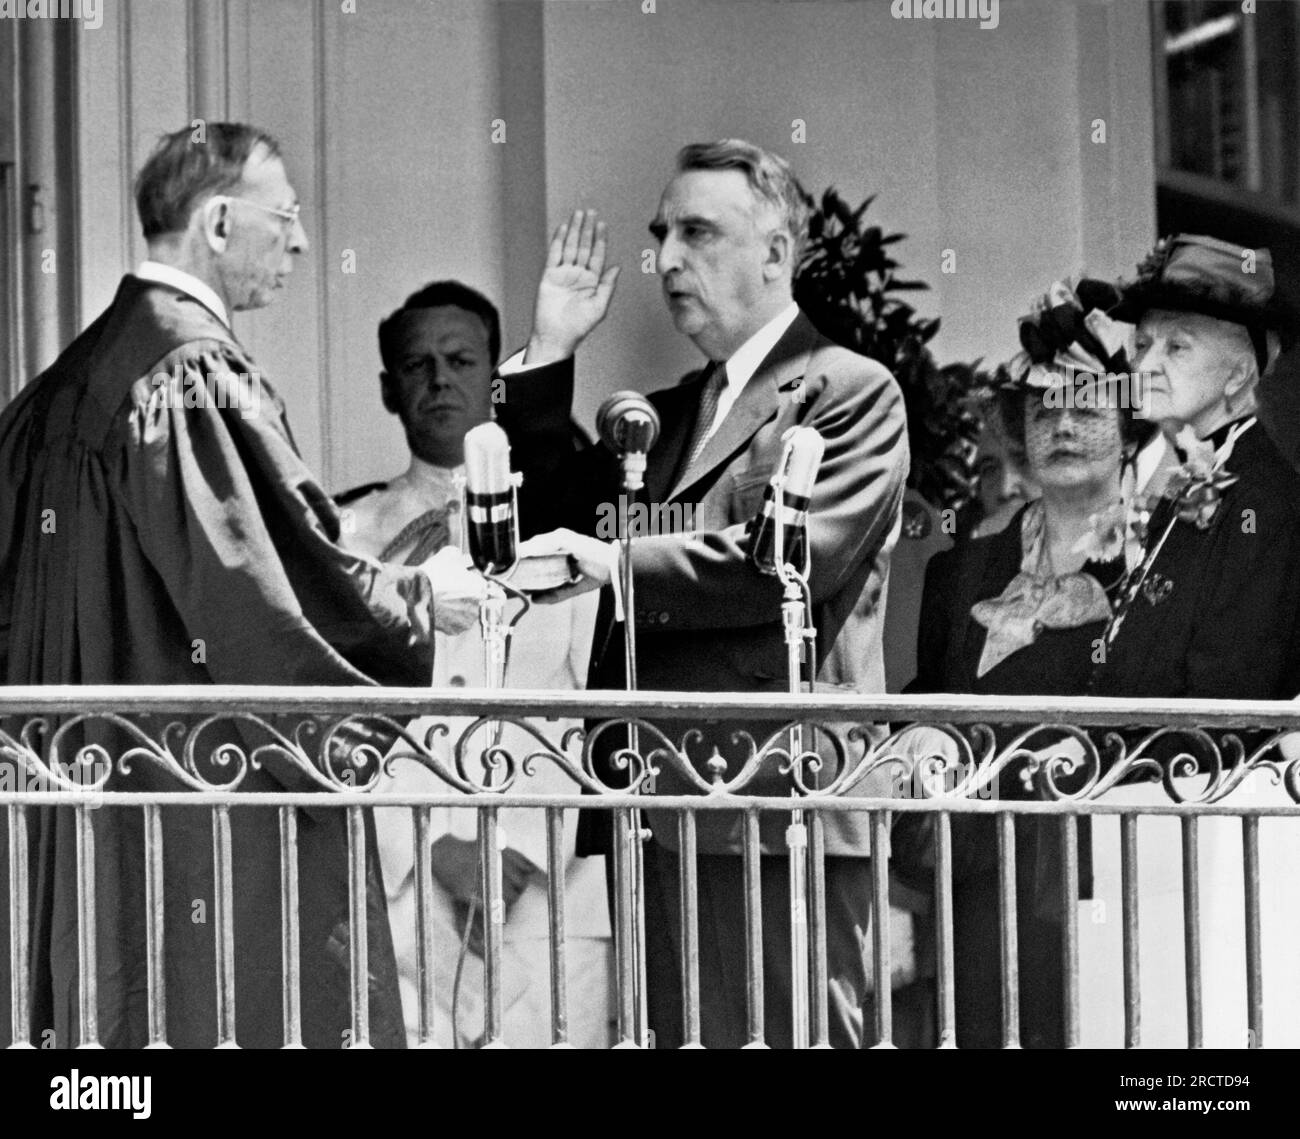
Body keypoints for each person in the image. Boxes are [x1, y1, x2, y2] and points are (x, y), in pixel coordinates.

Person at [0, 123, 484, 1048]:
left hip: (77, 782)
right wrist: (424, 602)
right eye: (288, 218)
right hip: (196, 786)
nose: (302, 243)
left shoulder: (63, 383)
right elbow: (269, 589)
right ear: (219, 222)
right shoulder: (189, 368)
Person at [494, 140, 910, 1048]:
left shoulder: (848, 391)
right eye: (661, 235)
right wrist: (553, 350)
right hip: (662, 805)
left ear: (775, 253)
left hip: (778, 806)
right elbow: (552, 517)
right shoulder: (671, 412)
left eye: (698, 232)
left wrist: (616, 566)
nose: (667, 258)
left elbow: (788, 563)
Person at [336, 281, 611, 1048]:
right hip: (405, 891)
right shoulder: (346, 533)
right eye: (416, 364)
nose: (438, 379)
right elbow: (345, 711)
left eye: (460, 359)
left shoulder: (567, 517)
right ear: (390, 389)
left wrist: (515, 840)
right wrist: (426, 845)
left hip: (546, 895)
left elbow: (596, 693)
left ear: (496, 377)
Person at [896, 279, 1152, 1047]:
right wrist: (919, 733)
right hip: (979, 880)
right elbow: (930, 695)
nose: (1063, 424)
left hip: (1116, 873)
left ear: (1131, 426)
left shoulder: (1166, 561)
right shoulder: (962, 571)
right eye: (1044, 409)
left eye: (1086, 404)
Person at [1089, 233, 1300, 705]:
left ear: (1238, 376)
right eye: (1143, 344)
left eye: (1177, 347)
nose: (1145, 365)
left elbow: (1230, 699)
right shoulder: (1194, 472)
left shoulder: (1265, 501)